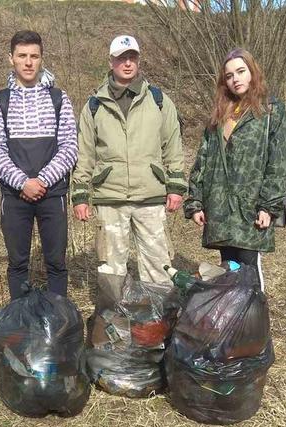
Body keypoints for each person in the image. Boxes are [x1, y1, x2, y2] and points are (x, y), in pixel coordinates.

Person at [71, 35, 186, 285]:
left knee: (159, 265)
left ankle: (159, 321)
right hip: (110, 198)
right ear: (111, 61)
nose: (127, 63)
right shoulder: (94, 105)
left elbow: (173, 145)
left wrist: (176, 186)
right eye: (122, 58)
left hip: (150, 196)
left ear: (138, 61)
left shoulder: (158, 100)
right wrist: (80, 194)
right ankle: (115, 320)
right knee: (112, 270)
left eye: (132, 58)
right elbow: (85, 153)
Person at [184, 48, 286, 290]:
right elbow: (204, 159)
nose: (235, 79)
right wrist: (195, 201)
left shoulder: (271, 111)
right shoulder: (219, 115)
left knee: (249, 276)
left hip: (251, 211)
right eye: (229, 75)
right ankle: (234, 326)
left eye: (240, 71)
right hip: (221, 210)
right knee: (228, 273)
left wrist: (269, 205)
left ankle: (255, 325)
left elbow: (282, 162)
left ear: (252, 72)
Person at [0, 31, 78, 300]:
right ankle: (20, 322)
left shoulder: (59, 98)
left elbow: (70, 147)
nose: (28, 62)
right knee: (17, 264)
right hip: (15, 196)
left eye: (34, 56)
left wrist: (43, 181)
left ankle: (57, 322)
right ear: (11, 59)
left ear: (41, 59)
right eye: (22, 56)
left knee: (57, 263)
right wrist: (23, 182)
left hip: (53, 194)